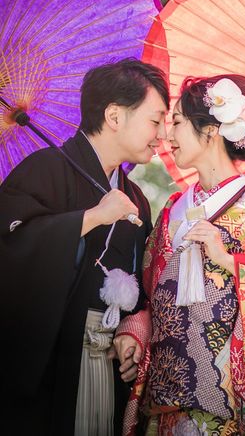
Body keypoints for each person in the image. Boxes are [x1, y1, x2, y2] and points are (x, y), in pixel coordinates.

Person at [115, 75, 245, 435]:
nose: (166, 136)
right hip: (167, 407)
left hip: (229, 412)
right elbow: (152, 299)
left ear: (211, 130)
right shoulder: (173, 210)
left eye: (177, 122)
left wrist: (229, 260)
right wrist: (135, 331)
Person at [0, 58, 170, 436]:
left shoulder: (136, 198)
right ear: (114, 116)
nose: (161, 135)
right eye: (155, 120)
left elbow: (144, 285)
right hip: (51, 363)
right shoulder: (43, 170)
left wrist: (133, 330)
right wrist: (90, 218)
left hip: (107, 360)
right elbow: (10, 250)